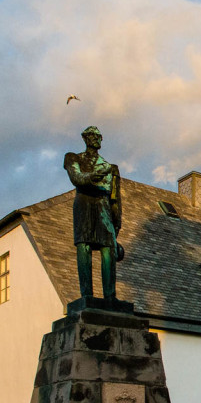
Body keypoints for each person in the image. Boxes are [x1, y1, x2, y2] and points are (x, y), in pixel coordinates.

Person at [64, 126, 122, 300]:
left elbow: (115, 198)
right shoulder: (73, 158)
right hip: (84, 204)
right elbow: (77, 179)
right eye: (92, 135)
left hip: (103, 206)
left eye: (99, 136)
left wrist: (117, 223)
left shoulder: (111, 167)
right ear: (85, 138)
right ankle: (86, 295)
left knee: (109, 249)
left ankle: (110, 296)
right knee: (84, 246)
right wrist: (98, 174)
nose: (96, 138)